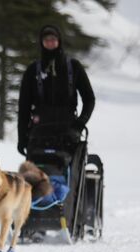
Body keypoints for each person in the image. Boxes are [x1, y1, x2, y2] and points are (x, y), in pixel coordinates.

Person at [17, 25, 95, 156]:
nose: (50, 42)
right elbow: (24, 107)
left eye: (53, 39)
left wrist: (80, 123)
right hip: (39, 134)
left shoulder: (74, 67)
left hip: (68, 134)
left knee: (67, 172)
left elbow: (89, 99)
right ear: (41, 42)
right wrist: (22, 137)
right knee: (34, 174)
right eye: (46, 39)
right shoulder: (32, 71)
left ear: (59, 41)